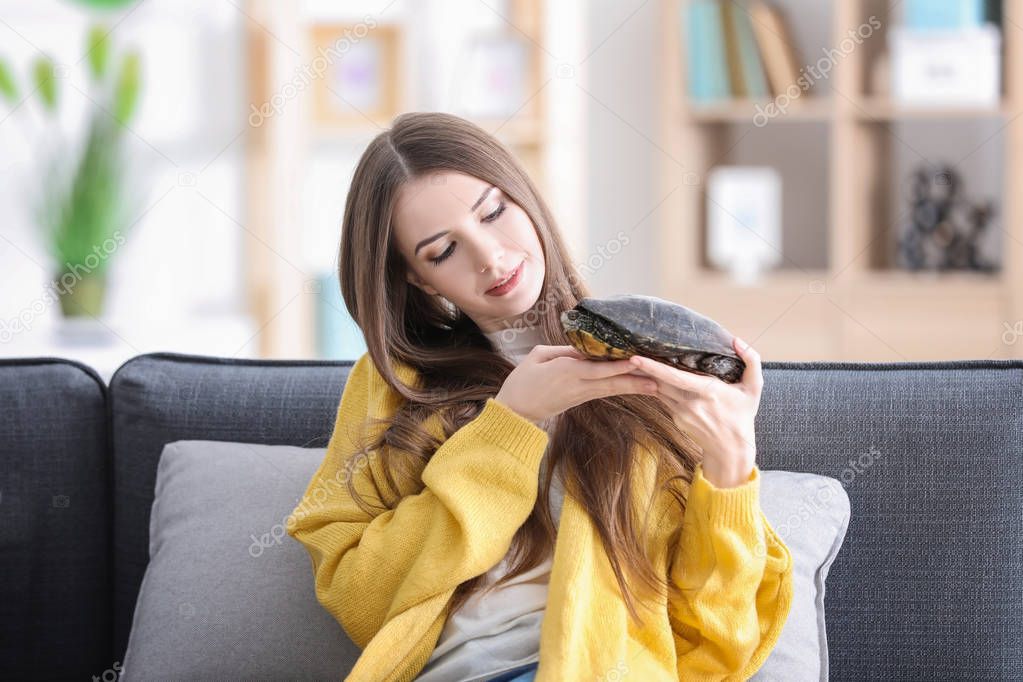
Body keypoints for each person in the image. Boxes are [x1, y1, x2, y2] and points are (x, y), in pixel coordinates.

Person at [286, 111, 793, 682]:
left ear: (525, 199)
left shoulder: (647, 372)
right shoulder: (396, 384)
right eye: (442, 251)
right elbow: (360, 596)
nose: (491, 258)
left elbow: (716, 645)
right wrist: (511, 423)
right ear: (420, 280)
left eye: (494, 212)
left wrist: (730, 468)